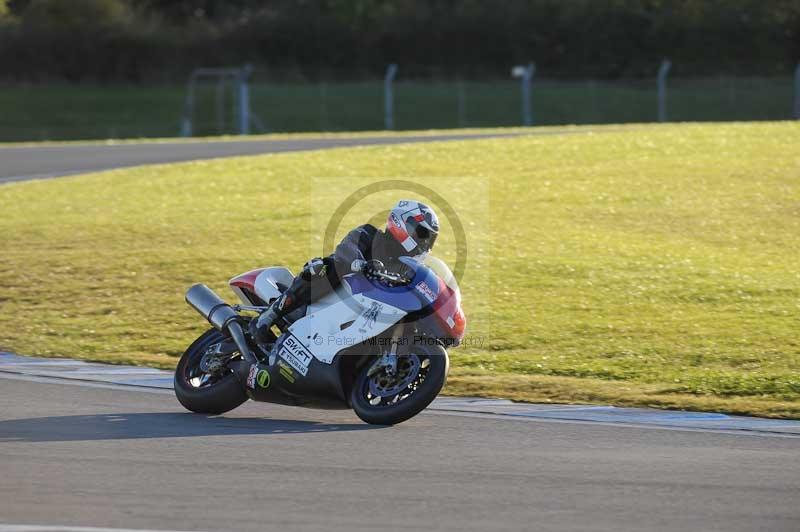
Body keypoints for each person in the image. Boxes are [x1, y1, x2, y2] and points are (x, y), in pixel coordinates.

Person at [251, 199, 440, 345]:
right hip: (335, 292)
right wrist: (363, 264)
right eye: (422, 234)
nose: (424, 243)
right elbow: (346, 249)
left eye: (429, 240)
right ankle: (268, 317)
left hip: (363, 312)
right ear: (401, 223)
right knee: (325, 267)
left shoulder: (407, 267)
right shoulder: (369, 234)